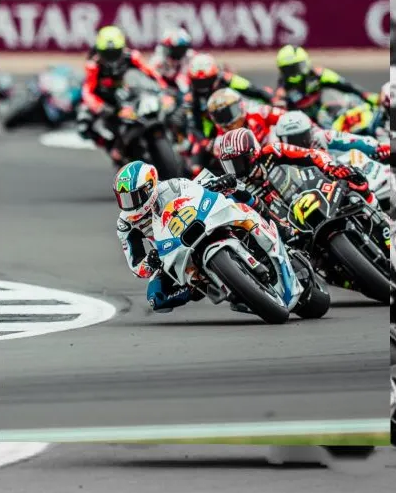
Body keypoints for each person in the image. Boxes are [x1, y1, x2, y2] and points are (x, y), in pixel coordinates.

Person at [114, 160, 267, 313]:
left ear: (149, 187)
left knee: (234, 195)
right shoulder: (126, 224)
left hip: (200, 224)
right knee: (156, 299)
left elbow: (199, 186)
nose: (130, 204)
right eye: (125, 199)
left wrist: (220, 182)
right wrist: (149, 262)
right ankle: (199, 287)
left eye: (134, 197)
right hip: (170, 253)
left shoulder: (171, 186)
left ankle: (271, 228)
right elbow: (135, 265)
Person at [217, 128, 377, 221]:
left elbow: (311, 155)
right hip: (289, 224)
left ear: (253, 153)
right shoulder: (239, 189)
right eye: (230, 165)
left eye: (239, 162)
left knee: (353, 178)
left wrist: (330, 167)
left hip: (314, 193)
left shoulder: (272, 151)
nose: (236, 170)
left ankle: (380, 219)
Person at [77, 26, 168, 165]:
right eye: (107, 54)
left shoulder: (132, 57)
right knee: (84, 121)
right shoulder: (93, 65)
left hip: (131, 97)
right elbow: (87, 91)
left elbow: (151, 73)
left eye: (115, 53)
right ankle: (113, 147)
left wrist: (163, 90)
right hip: (107, 103)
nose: (111, 58)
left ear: (123, 48)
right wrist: (101, 107)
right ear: (99, 51)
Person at [182, 53, 275, 175]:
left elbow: (252, 89)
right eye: (199, 83)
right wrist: (204, 141)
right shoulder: (190, 98)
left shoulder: (228, 79)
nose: (203, 87)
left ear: (216, 75)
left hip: (236, 116)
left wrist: (271, 99)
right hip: (211, 131)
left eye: (207, 81)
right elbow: (192, 125)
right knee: (194, 165)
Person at [275, 45, 379, 118]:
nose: (294, 74)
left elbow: (348, 86)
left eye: (296, 68)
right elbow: (277, 106)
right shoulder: (282, 89)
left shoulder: (319, 75)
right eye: (289, 70)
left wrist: (369, 97)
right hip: (305, 124)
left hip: (331, 115)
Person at [274, 110, 390, 163]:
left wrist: (377, 148)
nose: (298, 144)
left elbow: (352, 140)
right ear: (280, 139)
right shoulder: (277, 155)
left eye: (302, 137)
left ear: (310, 132)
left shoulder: (321, 136)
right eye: (291, 140)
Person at [207, 88, 286, 152]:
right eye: (220, 116)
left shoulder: (260, 111)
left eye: (228, 113)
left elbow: (287, 117)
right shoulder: (220, 142)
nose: (227, 120)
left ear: (240, 105)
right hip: (253, 168)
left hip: (277, 153)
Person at [149, 27, 195, 92]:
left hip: (184, 88)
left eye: (183, 49)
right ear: (167, 48)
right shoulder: (158, 59)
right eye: (177, 49)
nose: (180, 52)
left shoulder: (190, 56)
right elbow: (151, 77)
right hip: (163, 89)